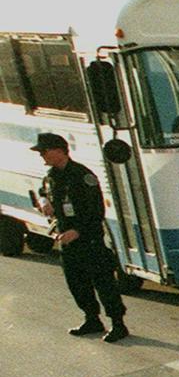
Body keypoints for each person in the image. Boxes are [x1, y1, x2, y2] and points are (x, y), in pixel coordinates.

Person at [34, 133, 129, 343]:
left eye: (44, 151)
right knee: (77, 283)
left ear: (59, 150)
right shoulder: (51, 176)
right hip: (67, 241)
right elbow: (43, 192)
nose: (41, 155)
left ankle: (118, 324)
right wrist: (43, 202)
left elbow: (96, 212)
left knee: (103, 283)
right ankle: (91, 319)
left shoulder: (82, 176)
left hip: (89, 240)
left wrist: (77, 231)